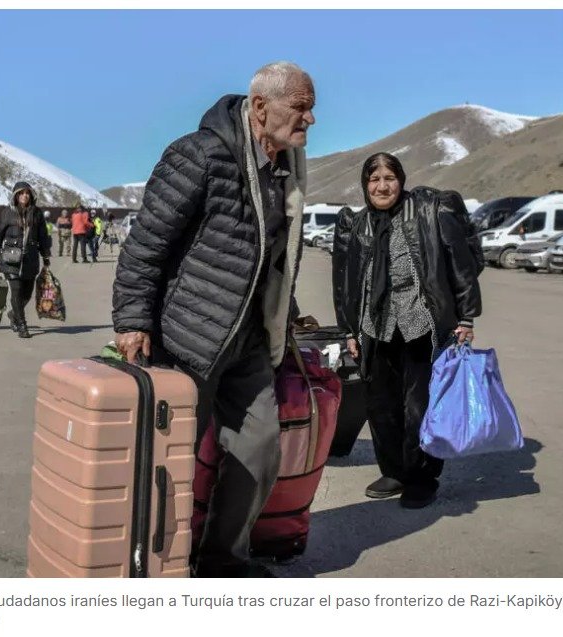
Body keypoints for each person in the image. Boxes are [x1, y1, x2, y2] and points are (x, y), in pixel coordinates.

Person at [112, 61, 315, 577]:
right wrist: (133, 320)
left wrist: (285, 313)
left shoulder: (284, 170)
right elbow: (147, 244)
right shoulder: (198, 155)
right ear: (261, 106)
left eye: (312, 109)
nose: (309, 119)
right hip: (189, 341)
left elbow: (269, 257)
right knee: (168, 465)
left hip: (248, 341)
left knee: (261, 447)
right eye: (301, 107)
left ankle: (222, 560)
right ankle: (150, 564)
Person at [332, 152, 483, 509]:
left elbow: (460, 265)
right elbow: (345, 282)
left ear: (401, 180)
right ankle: (395, 471)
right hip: (376, 328)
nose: (382, 186)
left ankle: (422, 477)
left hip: (423, 326)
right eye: (374, 179)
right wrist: (349, 330)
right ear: (365, 185)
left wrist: (466, 318)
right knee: (381, 406)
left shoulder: (428, 214)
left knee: (421, 407)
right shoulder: (358, 225)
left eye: (390, 178)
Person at [0, 182, 51, 339]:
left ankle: (13, 314)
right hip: (11, 258)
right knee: (16, 292)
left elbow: (43, 236)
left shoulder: (37, 213)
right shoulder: (7, 213)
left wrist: (45, 255)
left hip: (30, 258)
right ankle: (22, 325)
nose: (25, 195)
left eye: (27, 193)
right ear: (16, 195)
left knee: (27, 294)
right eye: (21, 193)